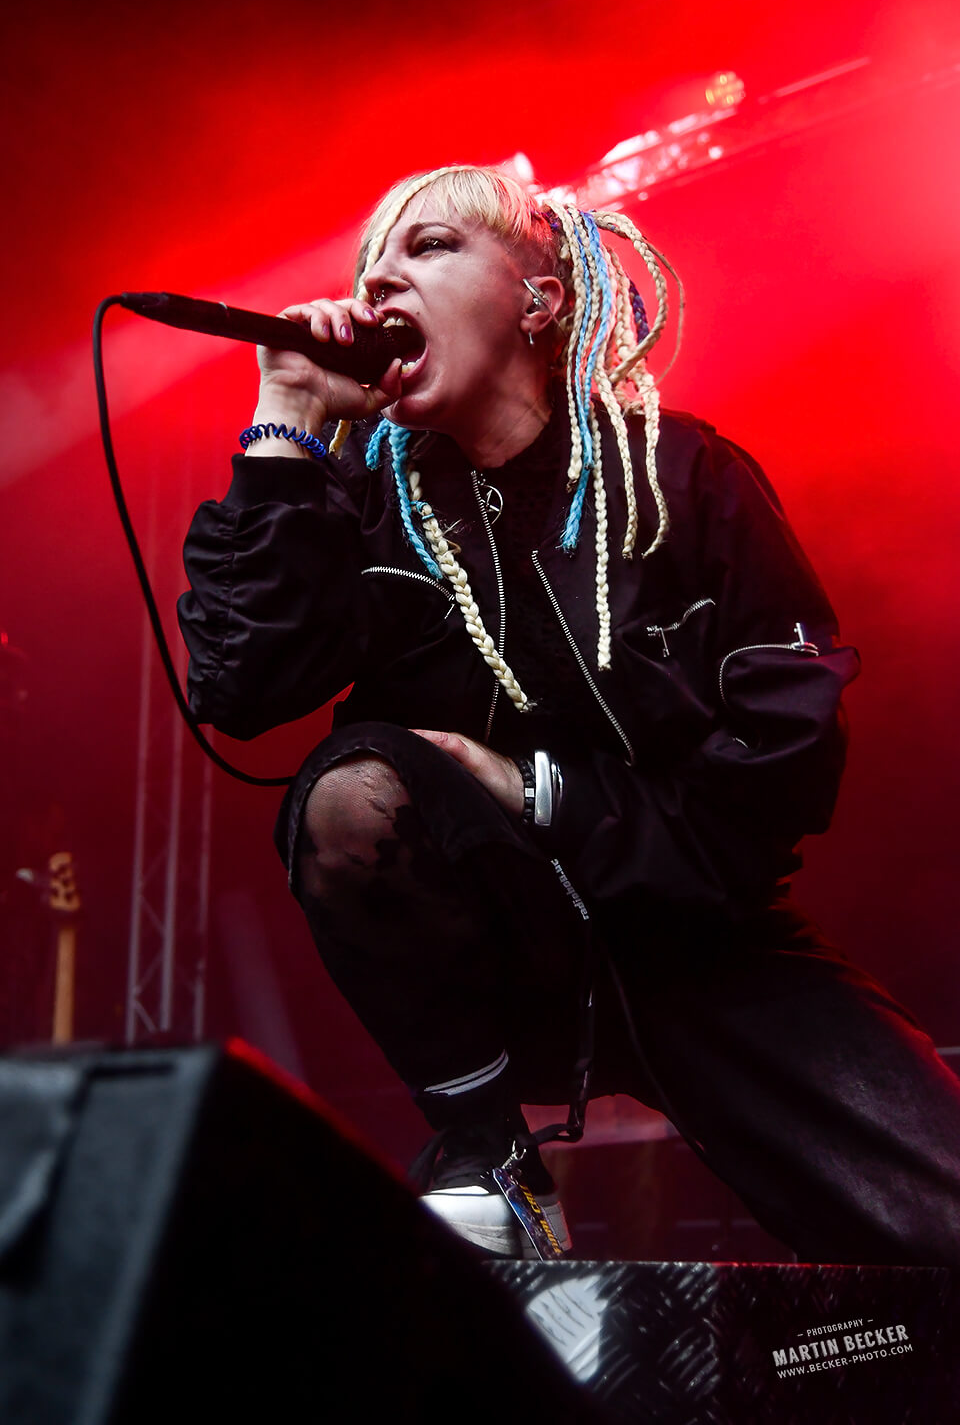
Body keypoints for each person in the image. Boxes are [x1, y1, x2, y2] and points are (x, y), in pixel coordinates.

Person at [178, 165, 960, 1263]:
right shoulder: (365, 508)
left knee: (943, 1221)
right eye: (369, 265)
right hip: (505, 952)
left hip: (696, 935)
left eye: (430, 247)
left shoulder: (683, 475)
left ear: (537, 301)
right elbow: (240, 688)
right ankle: (486, 1149)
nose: (379, 281)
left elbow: (783, 753)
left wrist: (538, 790)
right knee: (351, 794)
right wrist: (286, 421)